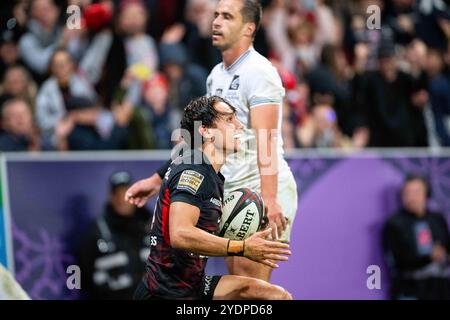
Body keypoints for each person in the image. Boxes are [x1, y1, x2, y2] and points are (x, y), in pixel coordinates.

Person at [126, 0, 298, 283]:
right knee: (241, 283)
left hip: (259, 189)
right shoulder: (215, 75)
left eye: (227, 17)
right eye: (216, 15)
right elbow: (197, 142)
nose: (216, 22)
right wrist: (157, 179)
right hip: (231, 189)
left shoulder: (260, 71)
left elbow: (267, 139)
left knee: (249, 286)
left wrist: (268, 199)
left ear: (248, 28)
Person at [133, 95, 292, 300]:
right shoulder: (194, 171)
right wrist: (242, 248)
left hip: (192, 286)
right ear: (206, 131)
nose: (239, 125)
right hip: (164, 294)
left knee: (274, 296)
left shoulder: (207, 170)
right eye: (229, 119)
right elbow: (180, 234)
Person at [77, 171, 152, 300]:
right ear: (111, 196)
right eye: (119, 194)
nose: (124, 199)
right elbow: (84, 275)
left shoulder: (151, 226)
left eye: (128, 193)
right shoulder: (97, 231)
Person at [382, 175, 450, 300]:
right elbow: (396, 260)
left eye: (416, 192)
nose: (411, 197)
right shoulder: (395, 223)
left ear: (426, 193)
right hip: (410, 288)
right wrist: (429, 257)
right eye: (407, 192)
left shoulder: (437, 218)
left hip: (440, 287)